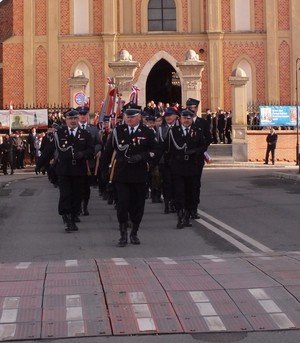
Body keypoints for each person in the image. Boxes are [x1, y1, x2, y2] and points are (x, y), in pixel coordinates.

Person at [102, 104, 159, 247]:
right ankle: (123, 234)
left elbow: (155, 151)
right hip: (121, 174)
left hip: (139, 174)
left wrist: (142, 157)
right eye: (127, 116)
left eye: (132, 117)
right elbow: (108, 151)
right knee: (122, 204)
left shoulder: (147, 132)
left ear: (139, 117)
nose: (129, 119)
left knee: (137, 205)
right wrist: (103, 170)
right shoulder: (118, 131)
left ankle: (134, 231)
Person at [36, 108, 94, 232]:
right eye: (70, 119)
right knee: (65, 194)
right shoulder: (59, 134)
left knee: (77, 195)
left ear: (78, 119)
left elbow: (91, 150)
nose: (72, 121)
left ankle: (73, 216)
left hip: (79, 170)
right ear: (66, 120)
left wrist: (83, 154)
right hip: (64, 169)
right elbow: (49, 150)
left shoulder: (85, 134)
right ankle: (67, 218)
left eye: (74, 118)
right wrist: (39, 163)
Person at [166, 109, 206, 229]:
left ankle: (187, 216)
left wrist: (195, 151)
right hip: (178, 166)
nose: (187, 120)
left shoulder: (197, 131)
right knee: (179, 192)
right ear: (180, 119)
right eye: (184, 118)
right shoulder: (173, 131)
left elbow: (203, 146)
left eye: (189, 118)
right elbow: (168, 148)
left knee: (191, 192)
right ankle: (180, 216)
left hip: (192, 166)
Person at [185, 98, 212, 219]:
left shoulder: (203, 123)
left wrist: (199, 150)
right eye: (188, 108)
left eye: (192, 108)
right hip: (183, 159)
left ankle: (194, 208)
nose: (190, 111)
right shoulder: (182, 121)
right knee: (185, 184)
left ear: (196, 109)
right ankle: (185, 208)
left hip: (196, 159)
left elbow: (208, 138)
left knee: (195, 184)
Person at [76, 106, 102, 215]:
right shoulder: (74, 128)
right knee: (77, 186)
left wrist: (93, 151)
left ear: (87, 116)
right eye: (81, 115)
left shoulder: (93, 129)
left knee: (86, 187)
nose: (82, 116)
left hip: (88, 162)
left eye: (84, 115)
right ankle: (77, 207)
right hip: (77, 162)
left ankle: (85, 206)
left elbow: (99, 143)